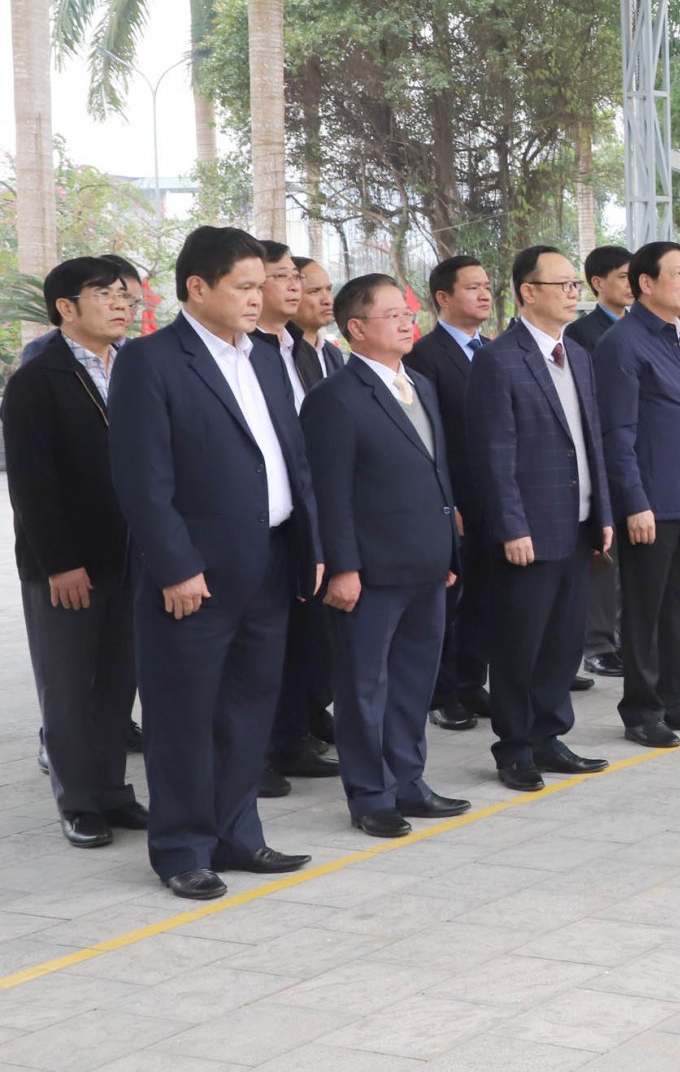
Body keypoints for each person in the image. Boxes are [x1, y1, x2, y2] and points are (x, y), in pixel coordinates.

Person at [109, 225, 321, 899]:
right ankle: (181, 848)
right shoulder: (152, 361)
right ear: (197, 288)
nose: (261, 298)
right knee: (182, 717)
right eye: (246, 287)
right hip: (193, 576)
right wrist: (174, 565)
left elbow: (294, 456)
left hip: (270, 559)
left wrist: (313, 546)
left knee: (247, 710)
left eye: (264, 285)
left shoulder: (262, 357)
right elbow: (144, 480)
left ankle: (238, 834)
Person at [302, 274, 469, 838]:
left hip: (426, 565)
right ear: (355, 329)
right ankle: (370, 795)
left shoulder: (417, 382)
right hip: (369, 574)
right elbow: (331, 492)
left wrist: (446, 548)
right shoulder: (335, 399)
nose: (407, 321)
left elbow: (436, 473)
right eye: (392, 314)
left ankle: (408, 782)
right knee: (362, 687)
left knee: (412, 683)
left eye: (408, 312)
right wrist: (343, 567)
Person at [4, 258, 144, 849]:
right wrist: (60, 562)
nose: (123, 305)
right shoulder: (38, 378)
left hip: (132, 557)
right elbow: (32, 485)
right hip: (67, 566)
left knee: (117, 681)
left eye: (127, 296)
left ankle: (113, 790)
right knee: (68, 686)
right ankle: (79, 801)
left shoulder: (136, 368)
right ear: (66, 306)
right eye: (106, 294)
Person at [467, 245, 614, 791]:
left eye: (577, 285)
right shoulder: (499, 359)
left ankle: (550, 737)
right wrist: (511, 527)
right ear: (529, 292)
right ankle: (514, 749)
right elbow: (494, 454)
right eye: (564, 285)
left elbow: (591, 440)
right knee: (518, 645)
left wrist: (603, 512)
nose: (575, 293)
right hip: (528, 530)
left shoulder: (576, 354)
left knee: (561, 641)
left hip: (575, 525)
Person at [594, 242, 680, 748]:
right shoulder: (622, 344)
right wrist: (634, 502)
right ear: (644, 284)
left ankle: (679, 698)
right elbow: (618, 434)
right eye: (677, 274)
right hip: (652, 505)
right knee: (646, 611)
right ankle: (642, 710)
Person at [252, 241, 341, 794]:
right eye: (281, 276)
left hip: (303, 516)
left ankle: (290, 737)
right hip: (253, 526)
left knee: (298, 639)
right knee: (255, 652)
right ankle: (255, 752)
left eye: (295, 276)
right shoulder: (247, 352)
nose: (295, 286)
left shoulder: (298, 348)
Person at [405, 255, 494, 731]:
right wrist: (450, 502)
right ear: (443, 297)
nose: (484, 294)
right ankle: (441, 693)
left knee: (483, 597)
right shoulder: (425, 356)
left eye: (487, 287)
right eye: (473, 287)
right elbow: (430, 437)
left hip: (493, 499)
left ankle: (469, 682)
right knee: (449, 602)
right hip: (454, 500)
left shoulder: (492, 349)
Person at [566, 244, 634, 682]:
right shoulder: (582, 334)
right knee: (603, 558)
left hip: (636, 457)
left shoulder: (640, 328)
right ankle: (597, 644)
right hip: (603, 457)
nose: (631, 285)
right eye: (624, 277)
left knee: (631, 558)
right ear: (598, 283)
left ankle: (623, 636)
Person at [294, 257, 347, 377]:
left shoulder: (333, 354)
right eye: (314, 291)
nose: (328, 300)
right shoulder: (280, 354)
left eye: (328, 289)